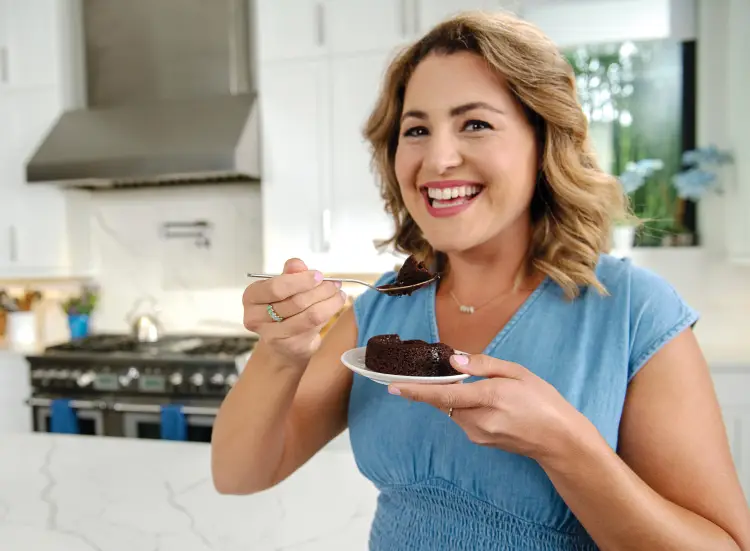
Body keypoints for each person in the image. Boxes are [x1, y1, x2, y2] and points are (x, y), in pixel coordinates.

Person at [211, 10, 750, 551]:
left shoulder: (635, 313)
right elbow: (239, 475)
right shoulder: (381, 311)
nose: (438, 158)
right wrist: (280, 354)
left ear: (543, 142)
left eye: (475, 124)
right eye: (416, 130)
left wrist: (564, 446)